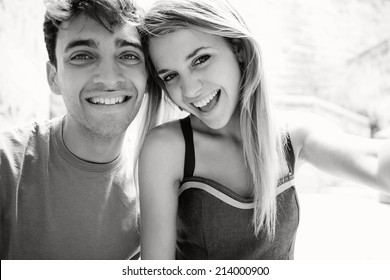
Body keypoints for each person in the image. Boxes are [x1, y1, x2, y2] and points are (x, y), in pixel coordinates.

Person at [138, 0, 390, 260]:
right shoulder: (167, 148)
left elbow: (377, 167)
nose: (189, 90)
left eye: (200, 60)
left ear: (239, 50)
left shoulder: (295, 135)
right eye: (170, 76)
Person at [0, 0, 152, 259]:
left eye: (128, 55)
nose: (108, 78)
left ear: (149, 76)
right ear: (53, 77)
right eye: (82, 55)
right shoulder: (6, 166)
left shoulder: (158, 183)